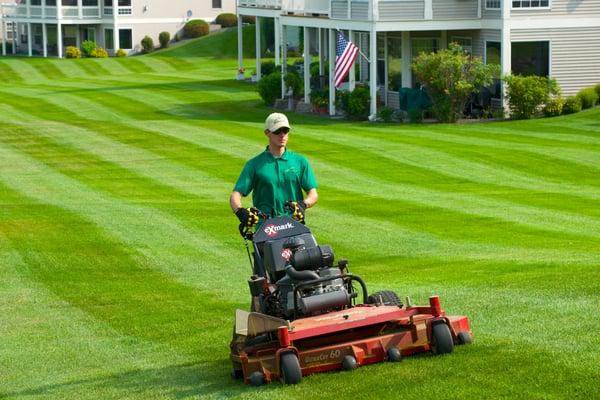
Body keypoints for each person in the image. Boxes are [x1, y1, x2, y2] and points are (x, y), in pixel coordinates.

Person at [230, 112, 318, 234]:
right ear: (267, 133)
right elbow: (236, 194)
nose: (282, 135)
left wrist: (303, 204)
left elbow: (313, 194)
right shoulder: (254, 164)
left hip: (294, 225)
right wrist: (240, 212)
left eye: (285, 131)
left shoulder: (300, 161)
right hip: (266, 229)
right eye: (277, 131)